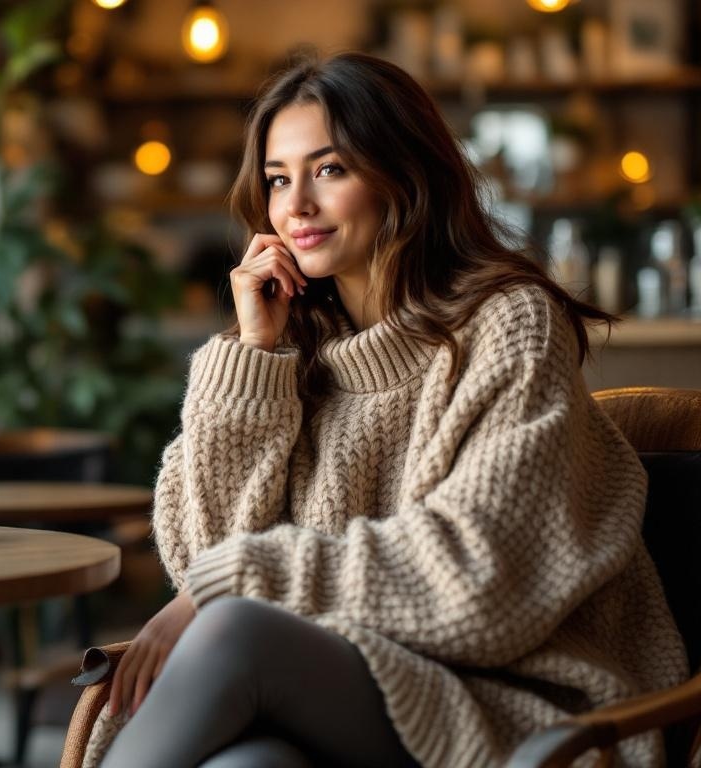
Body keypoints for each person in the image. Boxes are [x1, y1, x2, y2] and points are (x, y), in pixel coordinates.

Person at [86, 52, 687, 768]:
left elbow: (477, 579)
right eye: (279, 179)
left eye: (329, 170)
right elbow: (200, 560)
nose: (296, 205)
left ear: (405, 174)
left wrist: (237, 581)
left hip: (509, 705)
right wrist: (252, 356)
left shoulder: (510, 327)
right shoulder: (286, 353)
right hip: (340, 699)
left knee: (240, 636)